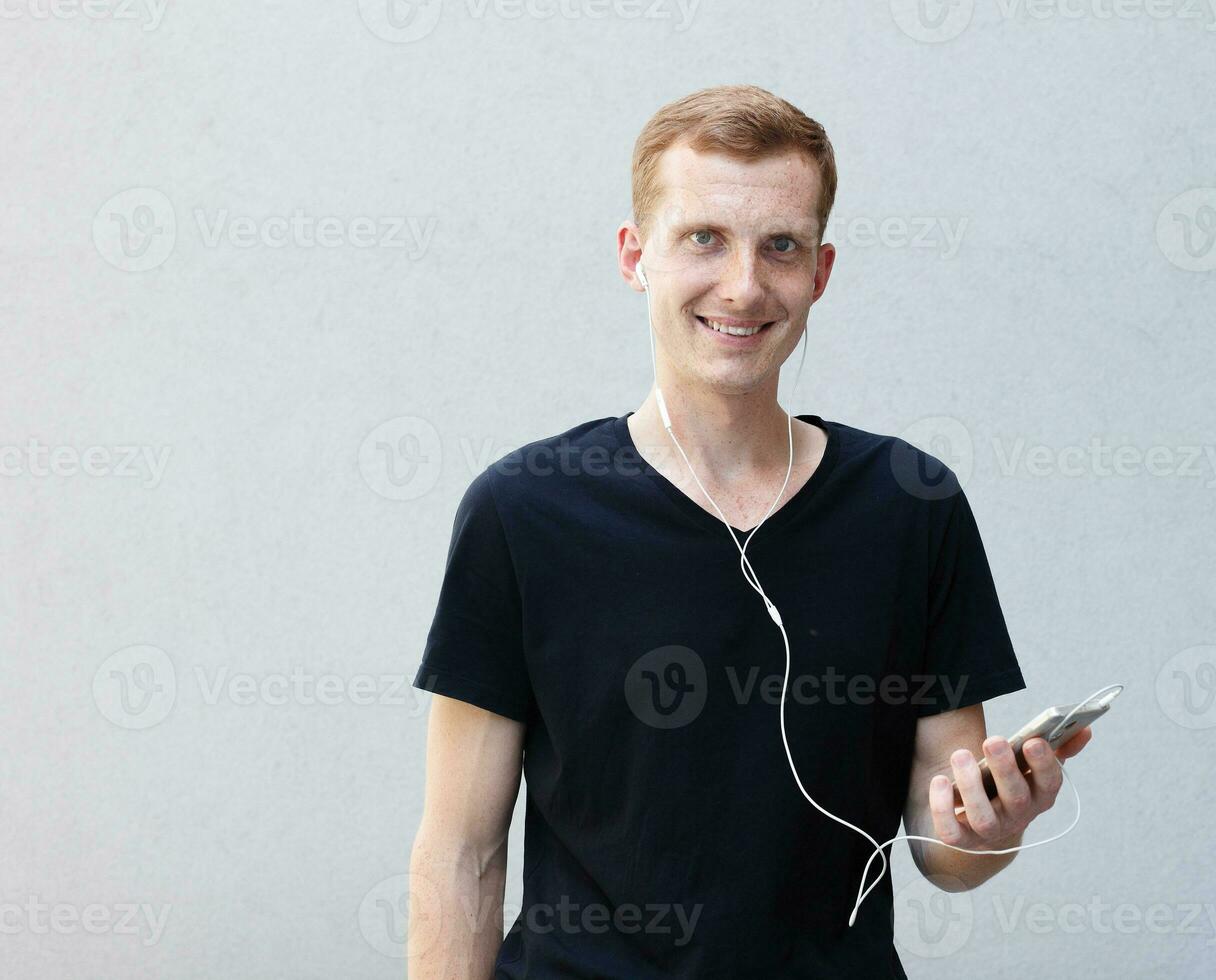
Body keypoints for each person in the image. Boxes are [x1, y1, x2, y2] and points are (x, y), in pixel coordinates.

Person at [406, 83, 1092, 979]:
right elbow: (462, 854)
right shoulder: (523, 511)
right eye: (703, 238)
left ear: (821, 271)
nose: (744, 285)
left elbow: (945, 850)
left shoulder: (910, 506)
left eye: (781, 247)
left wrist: (994, 825)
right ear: (634, 255)